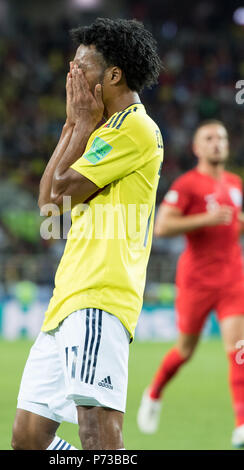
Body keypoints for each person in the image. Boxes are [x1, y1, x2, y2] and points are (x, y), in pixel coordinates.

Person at [11, 18, 163, 450]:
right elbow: (49, 209)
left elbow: (60, 190)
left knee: (97, 434)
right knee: (28, 440)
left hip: (99, 295)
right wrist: (71, 125)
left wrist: (79, 124)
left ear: (113, 75)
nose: (71, 75)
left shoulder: (133, 127)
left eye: (81, 66)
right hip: (67, 300)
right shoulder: (101, 130)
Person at [137, 120, 244, 448]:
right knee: (185, 350)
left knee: (238, 349)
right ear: (197, 148)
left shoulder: (235, 183)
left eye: (222, 138)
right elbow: (163, 227)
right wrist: (205, 219)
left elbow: (232, 228)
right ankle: (153, 393)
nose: (217, 143)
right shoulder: (187, 185)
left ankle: (241, 425)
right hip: (196, 281)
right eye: (209, 138)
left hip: (232, 279)